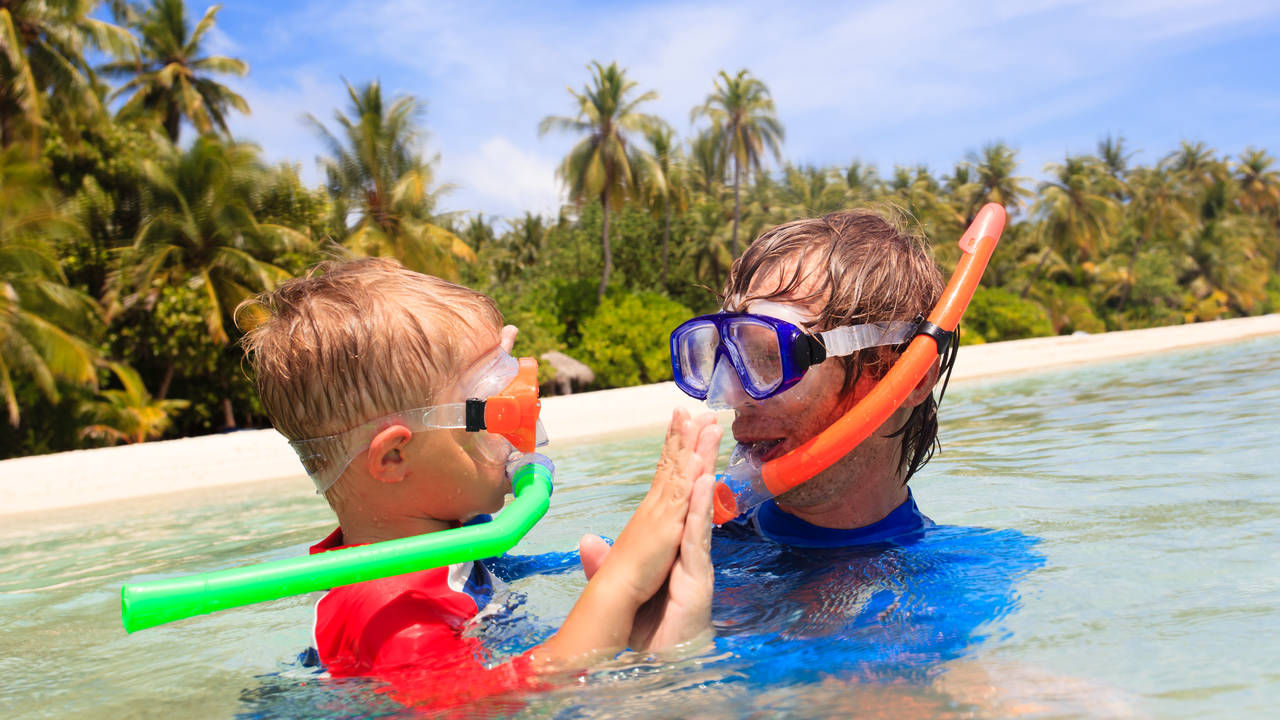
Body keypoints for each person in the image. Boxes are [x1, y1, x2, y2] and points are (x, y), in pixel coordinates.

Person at [237, 257, 720, 707]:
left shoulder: (440, 536)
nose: (518, 426)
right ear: (395, 456)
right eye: (492, 407)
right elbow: (480, 705)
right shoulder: (391, 613)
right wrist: (621, 584)